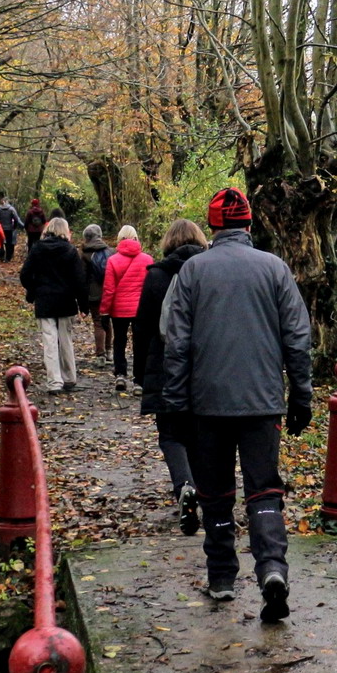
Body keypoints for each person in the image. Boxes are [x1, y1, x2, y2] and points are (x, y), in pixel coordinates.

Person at [161, 187, 312, 622]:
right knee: (264, 489)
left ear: (212, 226)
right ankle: (272, 570)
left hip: (206, 404)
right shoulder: (274, 268)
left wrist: (175, 404)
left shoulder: (192, 271)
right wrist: (300, 395)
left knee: (215, 493)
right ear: (248, 222)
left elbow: (177, 345)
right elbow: (297, 337)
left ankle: (222, 576)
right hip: (262, 402)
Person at [137, 219, 208, 535]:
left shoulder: (156, 276)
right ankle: (201, 489)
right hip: (204, 364)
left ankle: (184, 485)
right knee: (199, 430)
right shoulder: (209, 272)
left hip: (164, 364)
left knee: (170, 433)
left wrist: (141, 373)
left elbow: (142, 328)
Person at [18, 217, 84, 393]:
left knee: (50, 342)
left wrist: (34, 290)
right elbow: (79, 280)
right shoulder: (70, 251)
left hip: (45, 300)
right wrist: (83, 304)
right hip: (66, 300)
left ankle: (54, 382)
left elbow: (25, 274)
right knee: (65, 340)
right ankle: (69, 378)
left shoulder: (37, 249)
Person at [100, 225, 151, 393]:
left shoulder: (113, 260)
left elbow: (109, 289)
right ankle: (139, 381)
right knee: (140, 344)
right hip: (140, 309)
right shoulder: (147, 260)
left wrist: (104, 311)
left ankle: (120, 374)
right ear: (136, 238)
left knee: (119, 341)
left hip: (119, 309)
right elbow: (149, 287)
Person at [79, 225, 114, 361]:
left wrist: (82, 299)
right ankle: (109, 350)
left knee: (98, 322)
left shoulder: (84, 254)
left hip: (93, 293)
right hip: (109, 291)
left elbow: (82, 277)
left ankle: (100, 354)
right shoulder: (111, 252)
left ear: (86, 237)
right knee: (107, 321)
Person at [0, 198, 20, 264]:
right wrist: (14, 227)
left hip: (0, 228)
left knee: (0, 243)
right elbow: (16, 219)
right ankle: (8, 258)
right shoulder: (11, 209)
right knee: (9, 243)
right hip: (9, 228)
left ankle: (1, 256)